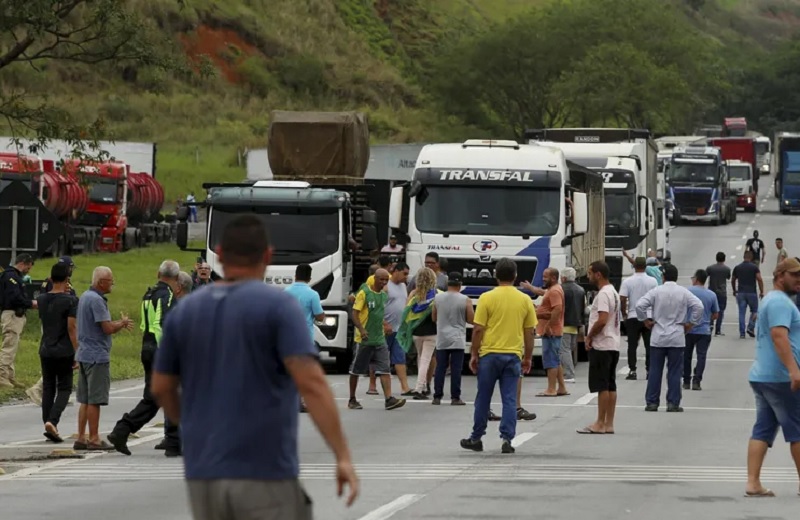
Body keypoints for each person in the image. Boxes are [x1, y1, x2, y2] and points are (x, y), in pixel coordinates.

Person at [151, 214, 359, 518]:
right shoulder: (278, 307)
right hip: (266, 470)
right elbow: (312, 384)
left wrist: (196, 426)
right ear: (268, 255)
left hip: (205, 473)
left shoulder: (187, 310)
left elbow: (161, 386)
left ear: (219, 254)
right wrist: (342, 455)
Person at [460, 258, 537, 455]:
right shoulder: (525, 299)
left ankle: (476, 437)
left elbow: (478, 329)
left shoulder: (486, 297)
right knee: (510, 399)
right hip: (513, 355)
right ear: (515, 275)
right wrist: (528, 357)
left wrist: (474, 353)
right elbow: (530, 332)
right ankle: (507, 439)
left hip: (489, 355)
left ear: (496, 275)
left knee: (483, 398)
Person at [108, 260, 181, 457]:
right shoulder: (166, 295)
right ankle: (174, 442)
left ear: (158, 273)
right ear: (176, 278)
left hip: (147, 347)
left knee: (153, 397)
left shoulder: (148, 294)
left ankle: (122, 430)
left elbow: (146, 324)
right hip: (159, 349)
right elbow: (163, 324)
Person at [744, 257, 800, 498]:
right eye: (794, 276)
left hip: (763, 375)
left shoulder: (773, 300)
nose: (799, 280)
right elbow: (779, 336)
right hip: (780, 377)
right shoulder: (780, 302)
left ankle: (753, 483)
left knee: (764, 429)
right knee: (798, 431)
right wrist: (793, 369)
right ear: (780, 276)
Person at [74, 266, 133, 451]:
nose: (112, 283)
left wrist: (116, 323)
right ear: (101, 282)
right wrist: (121, 324)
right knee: (95, 399)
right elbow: (106, 328)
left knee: (84, 399)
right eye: (110, 280)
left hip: (83, 353)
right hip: (96, 356)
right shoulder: (97, 301)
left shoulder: (84, 297)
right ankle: (94, 438)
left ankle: (81, 437)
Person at [635, 264, 703, 412]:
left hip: (658, 334)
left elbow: (640, 305)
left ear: (663, 277)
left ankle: (652, 402)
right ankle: (673, 403)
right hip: (677, 335)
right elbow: (699, 306)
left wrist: (645, 320)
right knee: (674, 371)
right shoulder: (683, 292)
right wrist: (691, 323)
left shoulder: (656, 291)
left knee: (655, 370)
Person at [348, 268, 406, 411]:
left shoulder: (383, 295)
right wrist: (361, 330)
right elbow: (354, 314)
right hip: (364, 339)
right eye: (382, 279)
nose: (384, 282)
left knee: (385, 369)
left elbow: (379, 314)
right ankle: (352, 399)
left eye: (386, 280)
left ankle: (389, 399)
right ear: (375, 279)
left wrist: (385, 324)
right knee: (356, 371)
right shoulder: (365, 294)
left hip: (379, 338)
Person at [36, 263, 79, 443]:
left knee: (48, 387)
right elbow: (71, 328)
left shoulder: (42, 299)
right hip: (63, 349)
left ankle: (47, 422)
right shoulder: (71, 301)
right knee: (64, 387)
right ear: (68, 279)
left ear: (51, 279)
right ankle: (52, 421)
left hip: (46, 348)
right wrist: (77, 351)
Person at [27, 256, 77, 405]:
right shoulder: (55, 285)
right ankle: (39, 388)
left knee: (56, 360)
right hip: (58, 326)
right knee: (60, 358)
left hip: (52, 325)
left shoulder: (50, 283)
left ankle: (54, 394)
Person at [578, 261, 621, 435]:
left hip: (602, 344)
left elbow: (602, 319)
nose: (588, 276)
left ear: (598, 274)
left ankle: (600, 422)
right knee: (610, 385)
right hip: (613, 343)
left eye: (589, 273)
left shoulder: (603, 294)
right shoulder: (614, 292)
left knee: (602, 385)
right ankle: (609, 423)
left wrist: (589, 336)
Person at [284, 264, 325, 414]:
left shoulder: (286, 292)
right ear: (309, 277)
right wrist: (319, 317)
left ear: (295, 275)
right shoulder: (312, 294)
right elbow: (320, 315)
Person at [432, 272, 473, 406]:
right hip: (458, 338)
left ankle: (437, 396)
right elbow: (471, 319)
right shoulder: (465, 299)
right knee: (456, 369)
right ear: (460, 285)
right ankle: (455, 397)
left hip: (442, 338)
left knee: (440, 368)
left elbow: (434, 317)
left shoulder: (438, 298)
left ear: (448, 284)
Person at [400, 268, 440, 399]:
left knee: (420, 358)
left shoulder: (413, 294)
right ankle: (419, 389)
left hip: (416, 331)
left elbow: (406, 310)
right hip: (431, 331)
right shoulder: (437, 295)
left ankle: (421, 387)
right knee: (425, 360)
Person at [0, 253, 37, 389]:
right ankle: (2, 376)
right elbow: (14, 298)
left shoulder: (14, 276)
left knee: (13, 346)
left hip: (16, 315)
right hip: (11, 315)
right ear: (23, 263)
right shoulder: (11, 277)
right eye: (29, 266)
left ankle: (9, 376)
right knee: (9, 345)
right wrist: (31, 303)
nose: (29, 270)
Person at [619, 257, 658, 381]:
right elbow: (656, 298)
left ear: (634, 266)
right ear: (645, 266)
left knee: (632, 345)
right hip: (649, 315)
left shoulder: (627, 281)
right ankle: (649, 370)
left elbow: (623, 299)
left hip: (633, 315)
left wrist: (624, 313)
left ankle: (632, 370)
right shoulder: (652, 281)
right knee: (649, 345)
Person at [533, 268, 568, 397]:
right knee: (555, 359)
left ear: (553, 278)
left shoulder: (554, 291)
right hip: (553, 330)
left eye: (545, 276)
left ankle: (551, 389)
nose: (543, 278)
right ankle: (562, 387)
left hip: (551, 331)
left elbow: (557, 309)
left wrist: (548, 326)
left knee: (550, 360)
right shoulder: (553, 290)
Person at [683, 270, 719, 392]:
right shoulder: (711, 295)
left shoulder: (687, 292)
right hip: (704, 330)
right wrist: (707, 318)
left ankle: (686, 381)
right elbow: (715, 314)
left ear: (697, 279)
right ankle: (697, 380)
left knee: (686, 356)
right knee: (701, 356)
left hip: (688, 329)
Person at [381, 262, 414, 396]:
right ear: (396, 271)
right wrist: (384, 323)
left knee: (400, 358)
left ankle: (405, 387)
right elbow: (378, 308)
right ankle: (372, 385)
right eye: (404, 273)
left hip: (399, 329)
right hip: (385, 329)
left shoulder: (403, 286)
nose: (406, 277)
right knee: (380, 359)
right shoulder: (385, 286)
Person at [559, 267, 585, 383]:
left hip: (564, 324)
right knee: (569, 349)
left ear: (563, 278)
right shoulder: (580, 290)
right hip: (575, 324)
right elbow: (582, 309)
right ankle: (565, 372)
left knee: (564, 350)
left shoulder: (561, 289)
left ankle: (569, 374)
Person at [732, 251, 764, 339]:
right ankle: (750, 327)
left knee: (741, 313)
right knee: (754, 311)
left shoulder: (737, 267)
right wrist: (762, 291)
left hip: (741, 293)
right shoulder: (754, 267)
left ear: (744, 257)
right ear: (752, 258)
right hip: (752, 293)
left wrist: (734, 290)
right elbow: (759, 279)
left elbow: (733, 279)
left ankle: (742, 333)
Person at [706, 252, 731, 337]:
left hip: (711, 291)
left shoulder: (710, 268)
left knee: (711, 310)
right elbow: (728, 277)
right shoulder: (727, 269)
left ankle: (710, 326)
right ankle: (718, 330)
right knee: (721, 311)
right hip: (722, 292)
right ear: (724, 259)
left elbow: (706, 275)